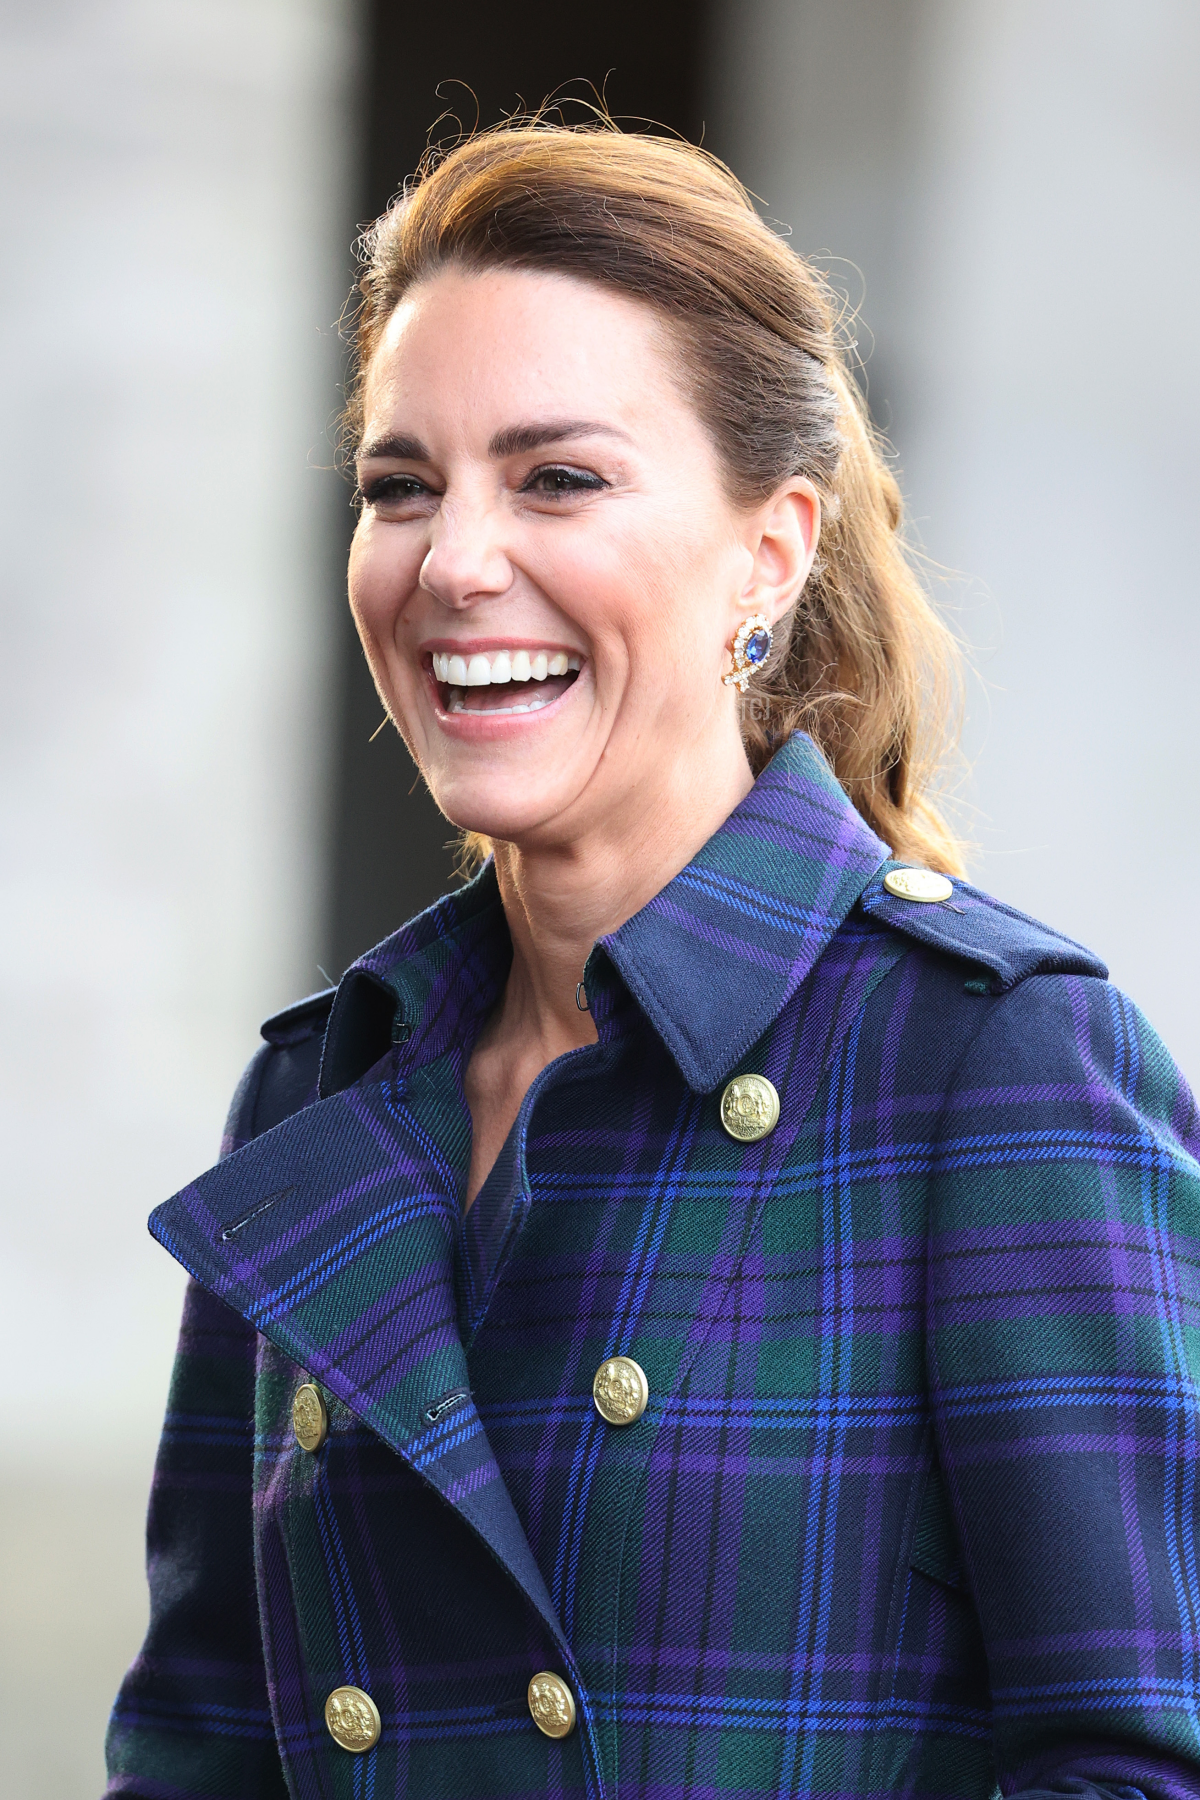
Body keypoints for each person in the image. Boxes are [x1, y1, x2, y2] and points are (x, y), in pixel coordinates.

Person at [105, 121, 1200, 1800]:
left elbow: (1141, 1764)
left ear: (770, 554)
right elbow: (197, 1748)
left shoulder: (994, 1065)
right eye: (403, 485)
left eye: (558, 477)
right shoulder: (316, 1092)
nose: (454, 561)